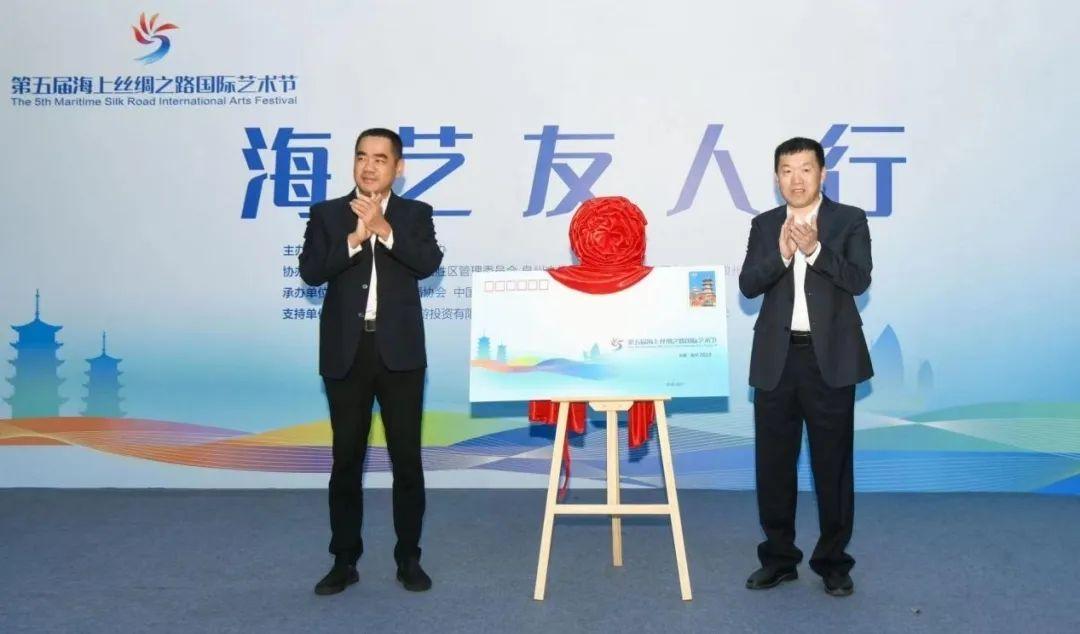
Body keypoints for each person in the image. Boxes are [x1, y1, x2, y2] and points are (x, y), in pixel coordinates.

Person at [299, 127, 443, 595]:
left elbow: (428, 263)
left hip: (400, 355)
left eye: (381, 158)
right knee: (346, 461)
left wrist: (385, 230)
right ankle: (344, 560)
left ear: (398, 168)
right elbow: (311, 272)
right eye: (362, 156)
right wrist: (354, 239)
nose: (369, 166)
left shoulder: (415, 214)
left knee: (407, 461)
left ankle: (409, 558)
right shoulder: (326, 214)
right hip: (347, 354)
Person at [738, 137, 873, 597]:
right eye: (787, 170)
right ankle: (779, 559)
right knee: (774, 465)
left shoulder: (849, 220)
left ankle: (833, 562)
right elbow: (748, 285)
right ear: (777, 177)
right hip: (777, 359)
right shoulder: (764, 225)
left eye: (806, 169)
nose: (796, 179)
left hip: (829, 359)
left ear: (822, 174)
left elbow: (858, 279)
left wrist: (815, 251)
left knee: (832, 466)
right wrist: (780, 256)